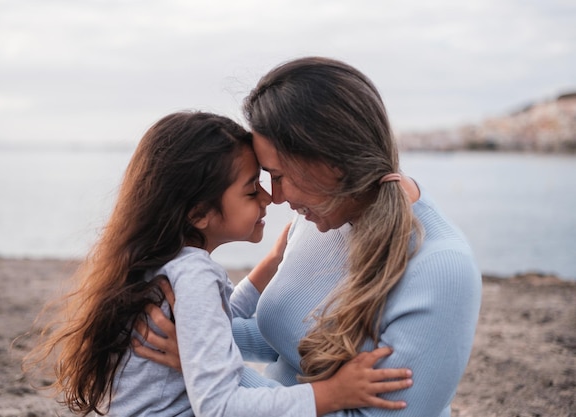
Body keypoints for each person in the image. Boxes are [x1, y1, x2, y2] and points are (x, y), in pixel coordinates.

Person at [136, 57, 483, 416]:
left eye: (279, 175)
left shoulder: (442, 270)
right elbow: (281, 335)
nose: (277, 196)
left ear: (330, 163)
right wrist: (196, 339)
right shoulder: (320, 218)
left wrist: (211, 374)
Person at [22, 111, 413, 416]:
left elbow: (216, 320)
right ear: (199, 213)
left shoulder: (166, 262)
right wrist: (330, 395)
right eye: (250, 189)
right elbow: (221, 407)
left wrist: (273, 263)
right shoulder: (193, 274)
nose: (267, 198)